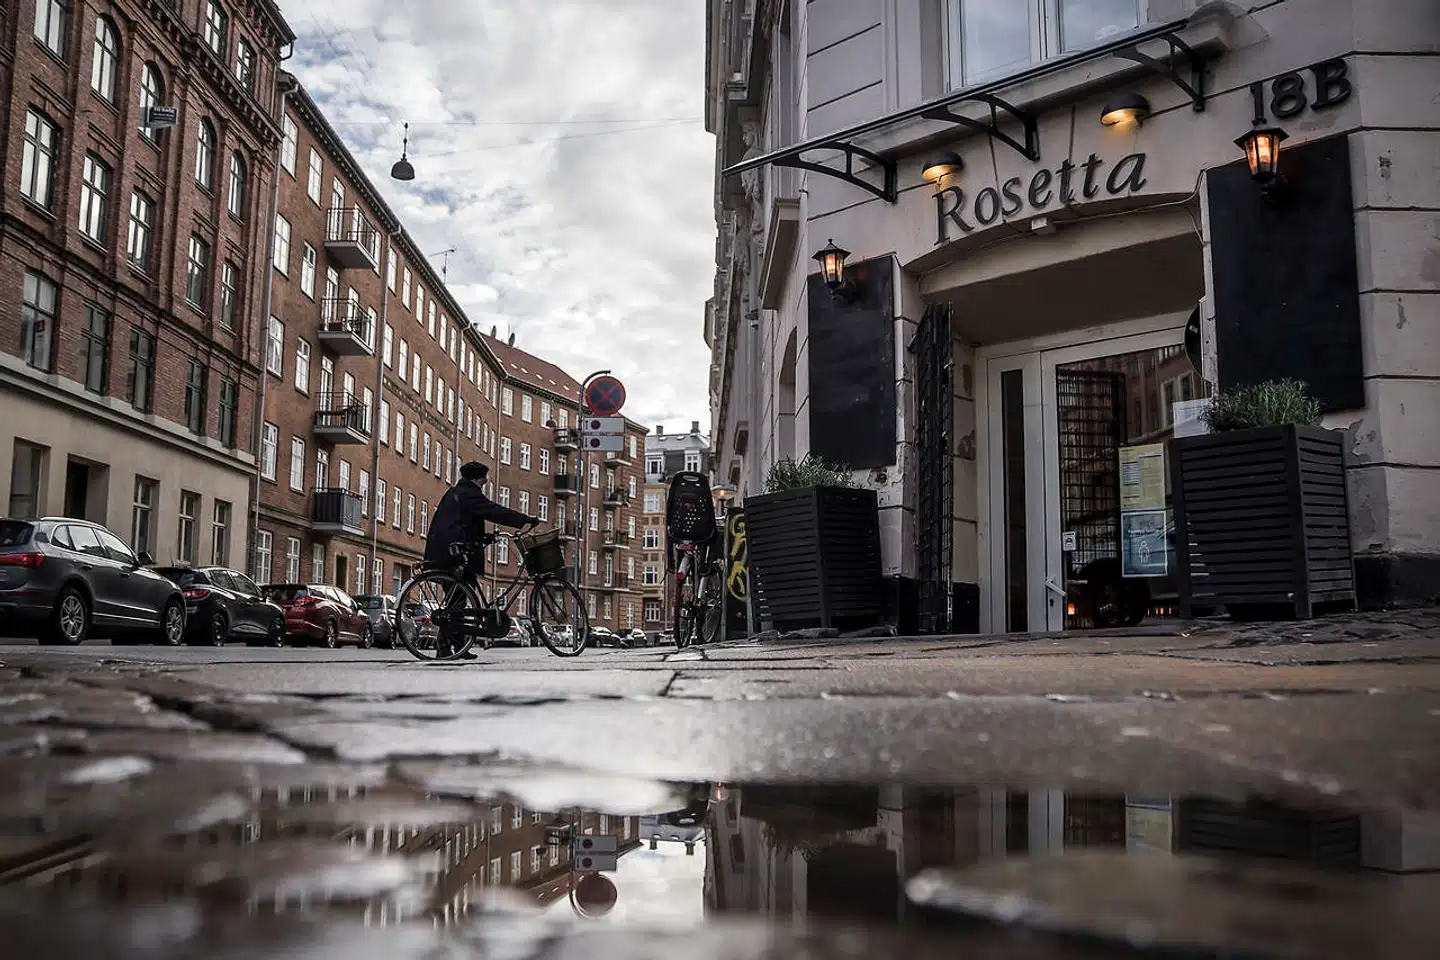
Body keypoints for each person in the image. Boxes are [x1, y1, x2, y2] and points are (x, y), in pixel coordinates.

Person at [423, 460, 537, 659]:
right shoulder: (469, 493)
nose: (486, 480)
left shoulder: (454, 493)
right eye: (484, 477)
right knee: (456, 603)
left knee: (458, 600)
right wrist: (524, 519)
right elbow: (494, 511)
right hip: (456, 554)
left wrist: (484, 537)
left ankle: (458, 646)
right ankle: (444, 647)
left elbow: (460, 522)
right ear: (477, 478)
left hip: (445, 551)